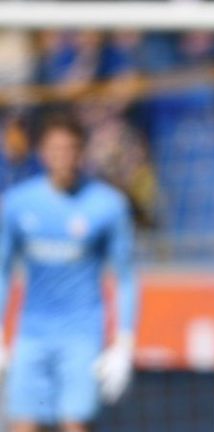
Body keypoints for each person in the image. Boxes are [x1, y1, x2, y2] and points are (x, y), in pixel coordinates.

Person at [0, 112, 139, 432]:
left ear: (82, 152)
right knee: (22, 424)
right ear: (41, 152)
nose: (63, 157)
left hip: (81, 334)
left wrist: (124, 342)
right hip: (32, 333)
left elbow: (126, 276)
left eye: (70, 148)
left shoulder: (107, 205)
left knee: (73, 425)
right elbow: (3, 269)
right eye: (55, 149)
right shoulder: (19, 204)